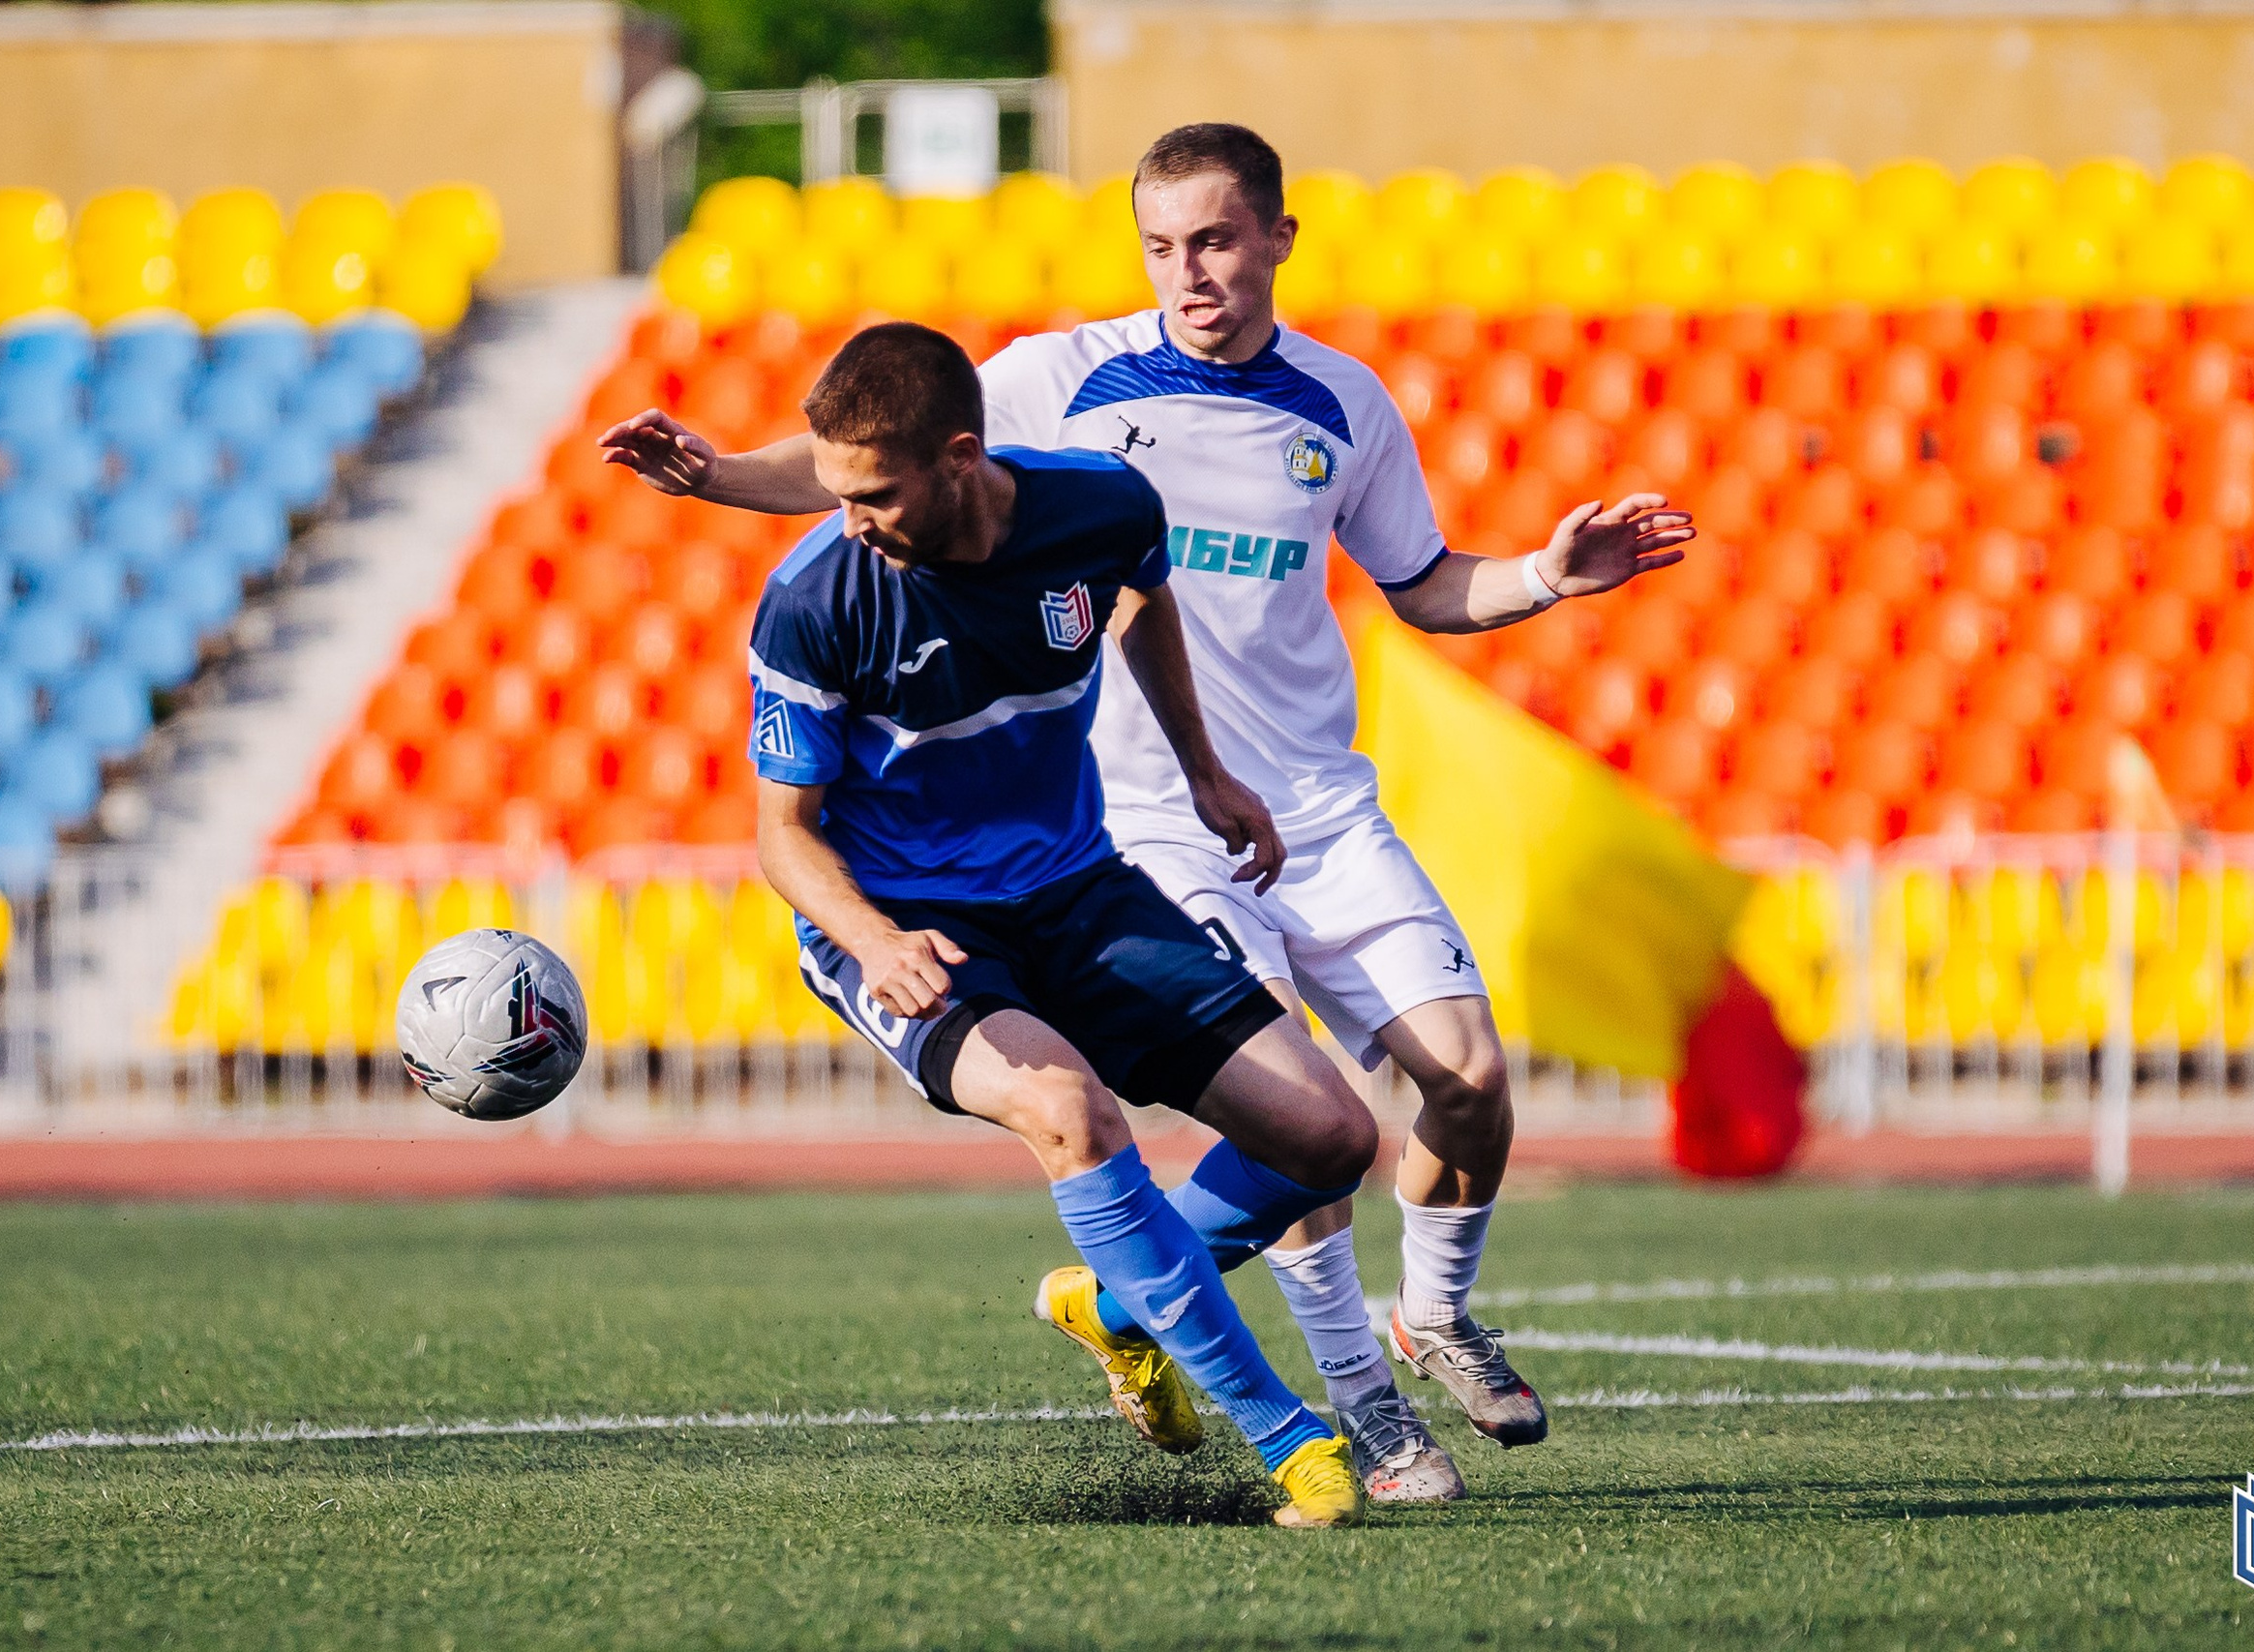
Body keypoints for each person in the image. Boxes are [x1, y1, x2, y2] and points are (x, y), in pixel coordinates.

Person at [601, 129, 1691, 1503]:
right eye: (1163, 247)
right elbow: (868, 459)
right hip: (1144, 822)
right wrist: (716, 477)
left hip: (1310, 798)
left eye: (1218, 241)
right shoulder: (1057, 379)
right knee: (1283, 1111)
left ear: (1279, 239)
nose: (1191, 273)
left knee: (1460, 1081)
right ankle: (1356, 1417)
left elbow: (1414, 583)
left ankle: (1355, 1310)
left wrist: (1542, 573)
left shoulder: (1341, 405)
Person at [733, 318, 1387, 1527]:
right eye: (831, 493)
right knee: (1068, 1112)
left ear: (963, 458)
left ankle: (1119, 1307)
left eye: (872, 494)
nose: (848, 520)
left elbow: (1143, 601)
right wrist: (874, 944)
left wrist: (1203, 770)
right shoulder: (813, 602)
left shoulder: (1101, 505)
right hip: (910, 927)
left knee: (1334, 1140)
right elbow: (784, 832)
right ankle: (1292, 1441)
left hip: (1079, 888)